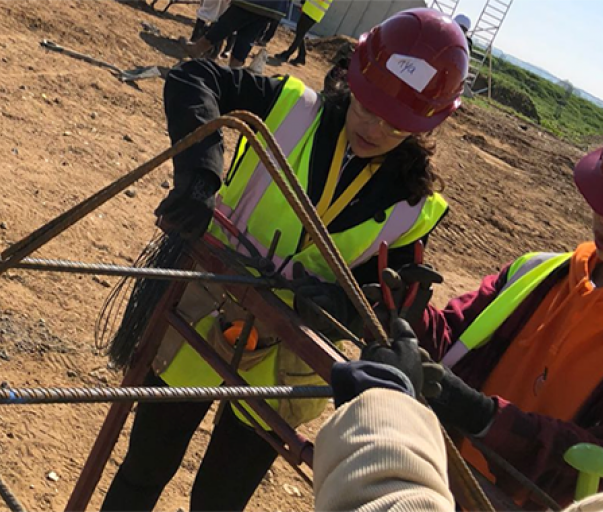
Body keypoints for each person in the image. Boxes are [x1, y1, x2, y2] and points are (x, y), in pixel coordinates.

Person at [99, 8, 469, 512]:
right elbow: (194, 77)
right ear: (353, 77)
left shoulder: (415, 208)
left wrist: (340, 302)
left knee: (218, 502)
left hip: (284, 366)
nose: (375, 127)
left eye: (396, 122)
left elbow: (380, 297)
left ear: (427, 124)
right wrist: (200, 177)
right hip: (200, 316)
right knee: (144, 471)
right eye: (369, 106)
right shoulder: (291, 109)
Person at [370, 101, 603, 509]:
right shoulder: (541, 272)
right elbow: (454, 343)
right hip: (430, 484)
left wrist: (483, 417)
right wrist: (401, 314)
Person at [314, 331, 603, 512]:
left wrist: (480, 414)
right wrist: (411, 319)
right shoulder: (544, 271)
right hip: (438, 471)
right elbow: (459, 340)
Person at [181, 0, 289, 68]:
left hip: (250, 2)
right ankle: (235, 69)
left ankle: (197, 49)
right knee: (248, 37)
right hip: (273, 6)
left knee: (225, 25)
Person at [275, 0, 334, 66]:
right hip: (309, 10)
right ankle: (301, 56)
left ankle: (287, 54)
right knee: (300, 33)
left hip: (313, 13)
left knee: (300, 34)